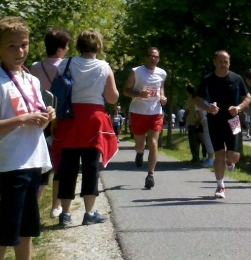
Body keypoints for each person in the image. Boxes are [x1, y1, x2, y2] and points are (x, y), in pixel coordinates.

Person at [0, 17, 63, 260]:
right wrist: (22, 119)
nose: (19, 51)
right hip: (8, 164)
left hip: (33, 159)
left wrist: (47, 115)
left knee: (26, 224)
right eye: (11, 46)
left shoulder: (31, 79)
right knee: (5, 227)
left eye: (23, 45)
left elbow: (37, 116)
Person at [51, 30, 119, 227]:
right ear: (99, 45)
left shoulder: (66, 64)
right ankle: (89, 213)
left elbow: (56, 92)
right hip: (93, 120)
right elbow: (112, 98)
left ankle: (65, 214)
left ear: (79, 44)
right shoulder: (104, 66)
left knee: (67, 167)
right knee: (90, 166)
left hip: (69, 118)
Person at [195, 51, 251, 199]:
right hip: (215, 120)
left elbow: (248, 97)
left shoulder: (236, 78)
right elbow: (197, 100)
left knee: (234, 156)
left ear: (229, 63)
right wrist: (208, 108)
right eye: (220, 61)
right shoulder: (207, 80)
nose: (223, 64)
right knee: (219, 153)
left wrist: (238, 108)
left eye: (226, 62)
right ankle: (220, 186)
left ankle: (229, 161)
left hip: (233, 120)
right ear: (215, 62)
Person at [30, 27, 72, 218]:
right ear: (60, 48)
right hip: (61, 118)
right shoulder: (67, 66)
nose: (68, 49)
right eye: (67, 46)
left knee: (41, 162)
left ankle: (33, 205)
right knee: (60, 163)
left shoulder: (35, 67)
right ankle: (56, 206)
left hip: (40, 118)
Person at [123, 47, 167, 190]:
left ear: (158, 59)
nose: (153, 59)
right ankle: (139, 153)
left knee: (153, 142)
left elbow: (161, 88)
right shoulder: (136, 71)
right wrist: (138, 94)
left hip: (155, 112)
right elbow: (126, 90)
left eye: (156, 57)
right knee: (140, 144)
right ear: (146, 57)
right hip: (138, 112)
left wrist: (162, 97)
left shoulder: (162, 73)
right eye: (151, 56)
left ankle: (150, 175)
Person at [183, 85, 201, 163]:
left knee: (193, 141)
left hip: (191, 122)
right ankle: (198, 156)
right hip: (198, 121)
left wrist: (184, 117)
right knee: (197, 140)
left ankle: (195, 157)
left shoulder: (190, 98)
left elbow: (187, 110)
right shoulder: (198, 97)